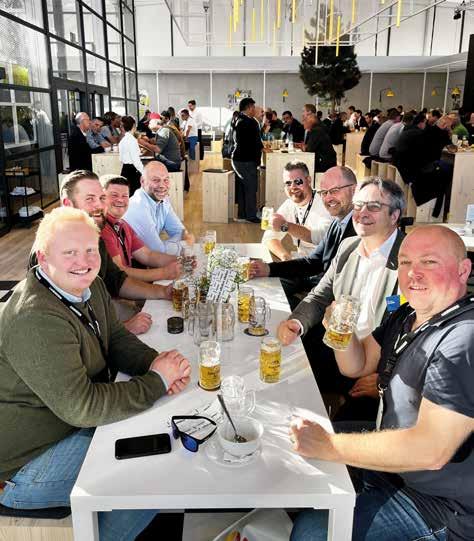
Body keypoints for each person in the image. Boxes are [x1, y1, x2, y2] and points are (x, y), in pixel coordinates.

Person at [0, 206, 191, 541]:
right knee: (155, 469)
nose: (84, 261)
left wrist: (156, 364)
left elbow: (115, 339)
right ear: (43, 258)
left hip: (66, 428)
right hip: (23, 467)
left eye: (90, 250)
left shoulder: (91, 286)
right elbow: (82, 406)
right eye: (70, 252)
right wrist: (156, 381)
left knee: (159, 435)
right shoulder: (35, 317)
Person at [290, 225, 474, 541]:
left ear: (463, 270)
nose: (413, 273)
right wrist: (341, 330)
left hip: (440, 505)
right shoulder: (406, 314)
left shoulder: (463, 338)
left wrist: (330, 445)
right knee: (291, 462)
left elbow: (431, 451)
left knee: (312, 533)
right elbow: (357, 365)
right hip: (394, 464)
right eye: (405, 262)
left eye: (429, 262)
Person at [277, 178, 406, 399]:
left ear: (394, 215)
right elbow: (320, 296)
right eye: (358, 205)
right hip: (337, 347)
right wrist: (295, 323)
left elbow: (419, 330)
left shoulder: (410, 259)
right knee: (280, 373)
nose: (362, 213)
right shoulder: (348, 247)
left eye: (373, 206)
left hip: (377, 365)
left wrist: (388, 378)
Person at [33, 170, 174, 335]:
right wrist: (124, 328)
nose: (99, 206)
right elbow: (59, 323)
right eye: (90, 199)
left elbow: (117, 280)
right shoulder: (50, 246)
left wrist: (163, 291)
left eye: (101, 198)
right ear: (67, 204)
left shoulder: (94, 236)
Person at [251, 166, 357, 309]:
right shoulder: (339, 221)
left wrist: (286, 226)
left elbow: (318, 237)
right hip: (312, 275)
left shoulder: (359, 226)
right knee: (264, 294)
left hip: (332, 296)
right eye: (324, 192)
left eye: (335, 190)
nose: (328, 198)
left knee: (272, 304)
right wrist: (269, 268)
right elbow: (313, 261)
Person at [101, 174, 184, 282]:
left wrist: (181, 261)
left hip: (129, 285)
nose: (120, 200)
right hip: (116, 291)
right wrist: (164, 273)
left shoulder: (123, 224)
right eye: (114, 195)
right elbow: (119, 271)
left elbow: (147, 255)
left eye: (125, 196)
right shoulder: (103, 229)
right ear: (102, 198)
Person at [261, 161, 332, 262]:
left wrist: (286, 226)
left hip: (324, 262)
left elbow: (321, 237)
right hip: (302, 260)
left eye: (298, 182)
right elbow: (268, 237)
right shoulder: (289, 204)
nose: (293, 187)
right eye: (288, 183)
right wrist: (285, 257)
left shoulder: (324, 202)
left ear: (309, 180)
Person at [124, 161, 194, 254]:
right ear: (142, 181)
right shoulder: (138, 207)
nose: (162, 186)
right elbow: (158, 251)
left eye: (166, 180)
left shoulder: (163, 200)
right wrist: (184, 244)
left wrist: (180, 241)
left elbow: (180, 232)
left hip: (150, 259)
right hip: (131, 261)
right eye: (156, 180)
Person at [231, 97, 263, 223]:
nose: (255, 109)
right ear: (249, 108)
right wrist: (261, 150)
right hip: (245, 159)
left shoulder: (239, 119)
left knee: (243, 187)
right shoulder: (249, 122)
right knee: (251, 187)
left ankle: (243, 214)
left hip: (239, 159)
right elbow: (255, 142)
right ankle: (251, 215)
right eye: (253, 107)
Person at [118, 115, 144, 196]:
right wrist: (144, 173)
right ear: (134, 125)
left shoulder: (122, 140)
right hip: (133, 172)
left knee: (125, 195)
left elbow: (121, 158)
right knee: (134, 196)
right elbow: (136, 161)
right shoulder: (132, 140)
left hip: (124, 170)